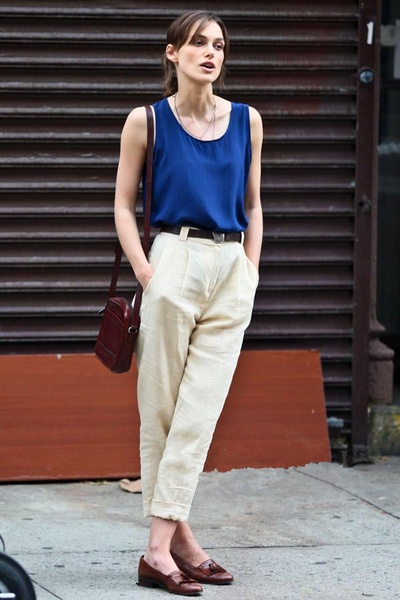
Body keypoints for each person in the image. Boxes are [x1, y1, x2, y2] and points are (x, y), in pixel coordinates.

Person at [114, 10, 263, 596]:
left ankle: (162, 548)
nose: (210, 52)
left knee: (197, 413)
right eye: (198, 42)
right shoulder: (146, 120)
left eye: (218, 45)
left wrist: (250, 269)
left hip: (230, 267)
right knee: (161, 410)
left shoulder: (247, 120)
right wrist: (147, 273)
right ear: (172, 53)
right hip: (172, 258)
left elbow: (253, 202)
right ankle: (176, 545)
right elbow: (123, 204)